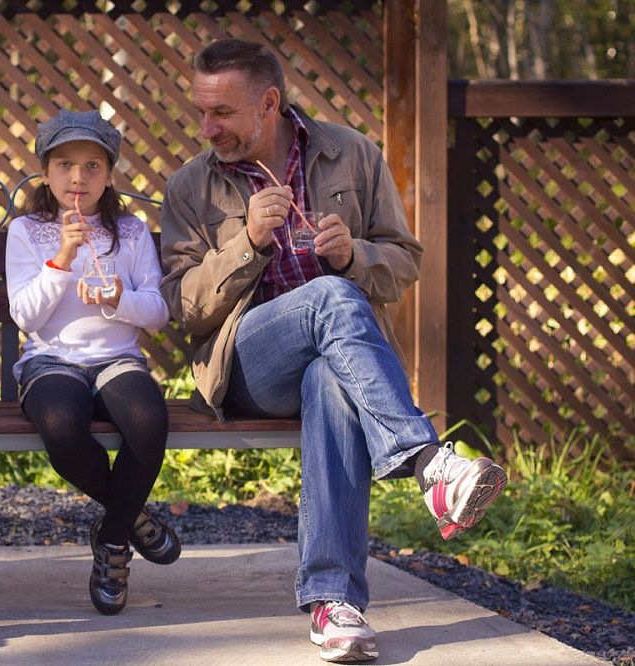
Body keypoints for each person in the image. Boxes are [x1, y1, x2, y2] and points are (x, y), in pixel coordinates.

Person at [159, 38, 507, 663]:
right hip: (248, 365)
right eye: (201, 111)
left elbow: (404, 263)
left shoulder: (352, 154)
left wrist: (355, 256)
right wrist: (247, 244)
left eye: (222, 113)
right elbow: (182, 306)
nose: (207, 128)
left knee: (330, 377)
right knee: (329, 298)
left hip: (344, 361)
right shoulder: (192, 186)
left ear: (269, 103)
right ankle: (428, 463)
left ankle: (334, 603)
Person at [5, 109, 181, 615]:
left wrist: (119, 298)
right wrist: (60, 260)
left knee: (148, 421)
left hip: (116, 357)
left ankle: (112, 537)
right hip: (51, 359)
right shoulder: (26, 231)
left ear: (108, 175)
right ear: (45, 173)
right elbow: (25, 316)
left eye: (92, 166)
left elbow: (158, 311)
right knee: (61, 424)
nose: (78, 177)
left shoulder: (129, 231)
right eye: (64, 164)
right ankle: (130, 516)